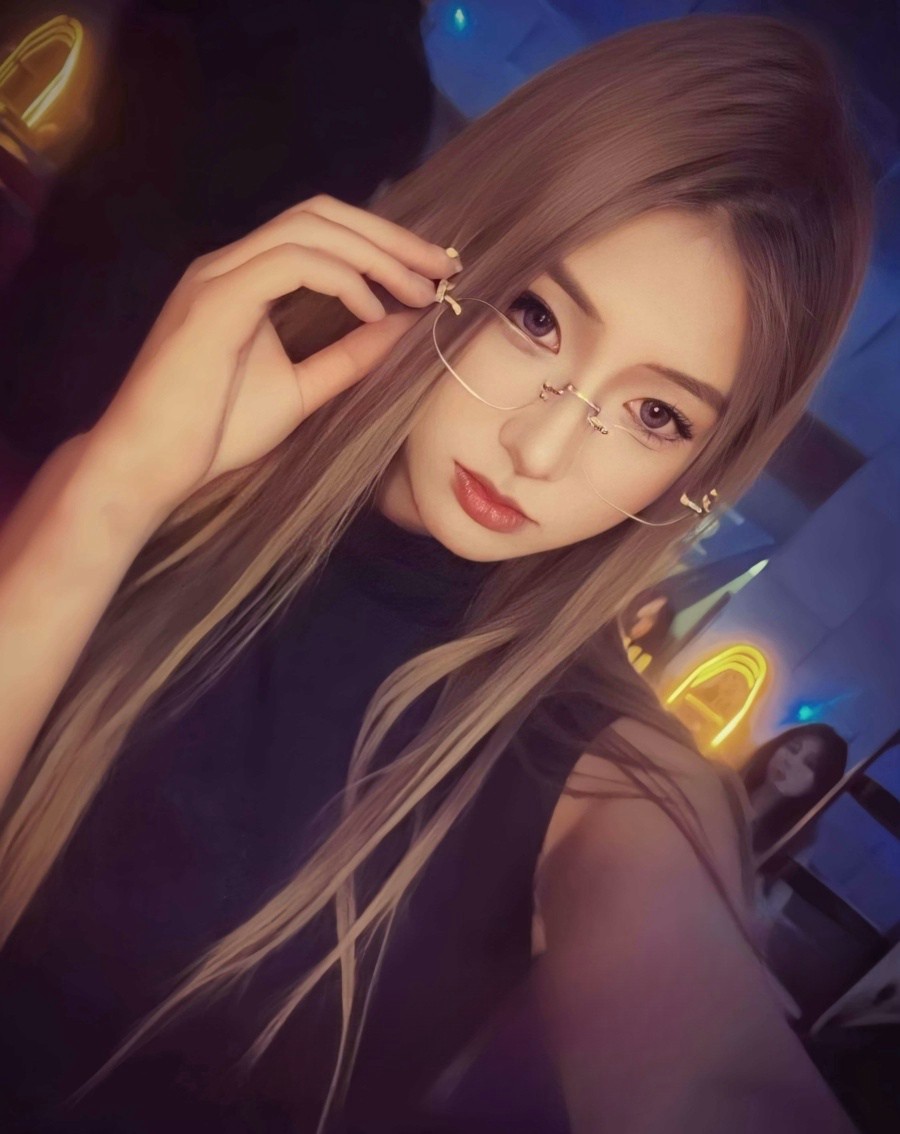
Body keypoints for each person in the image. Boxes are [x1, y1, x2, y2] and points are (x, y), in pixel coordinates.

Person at [0, 13, 874, 1134]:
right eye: (537, 316)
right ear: (453, 255)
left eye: (656, 414)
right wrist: (112, 486)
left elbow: (714, 1083)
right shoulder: (173, 451)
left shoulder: (614, 783)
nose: (539, 450)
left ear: (702, 467)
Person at [742, 724, 850, 858]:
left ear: (819, 784)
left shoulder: (788, 847)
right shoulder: (729, 782)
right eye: (792, 748)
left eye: (810, 764)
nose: (791, 761)